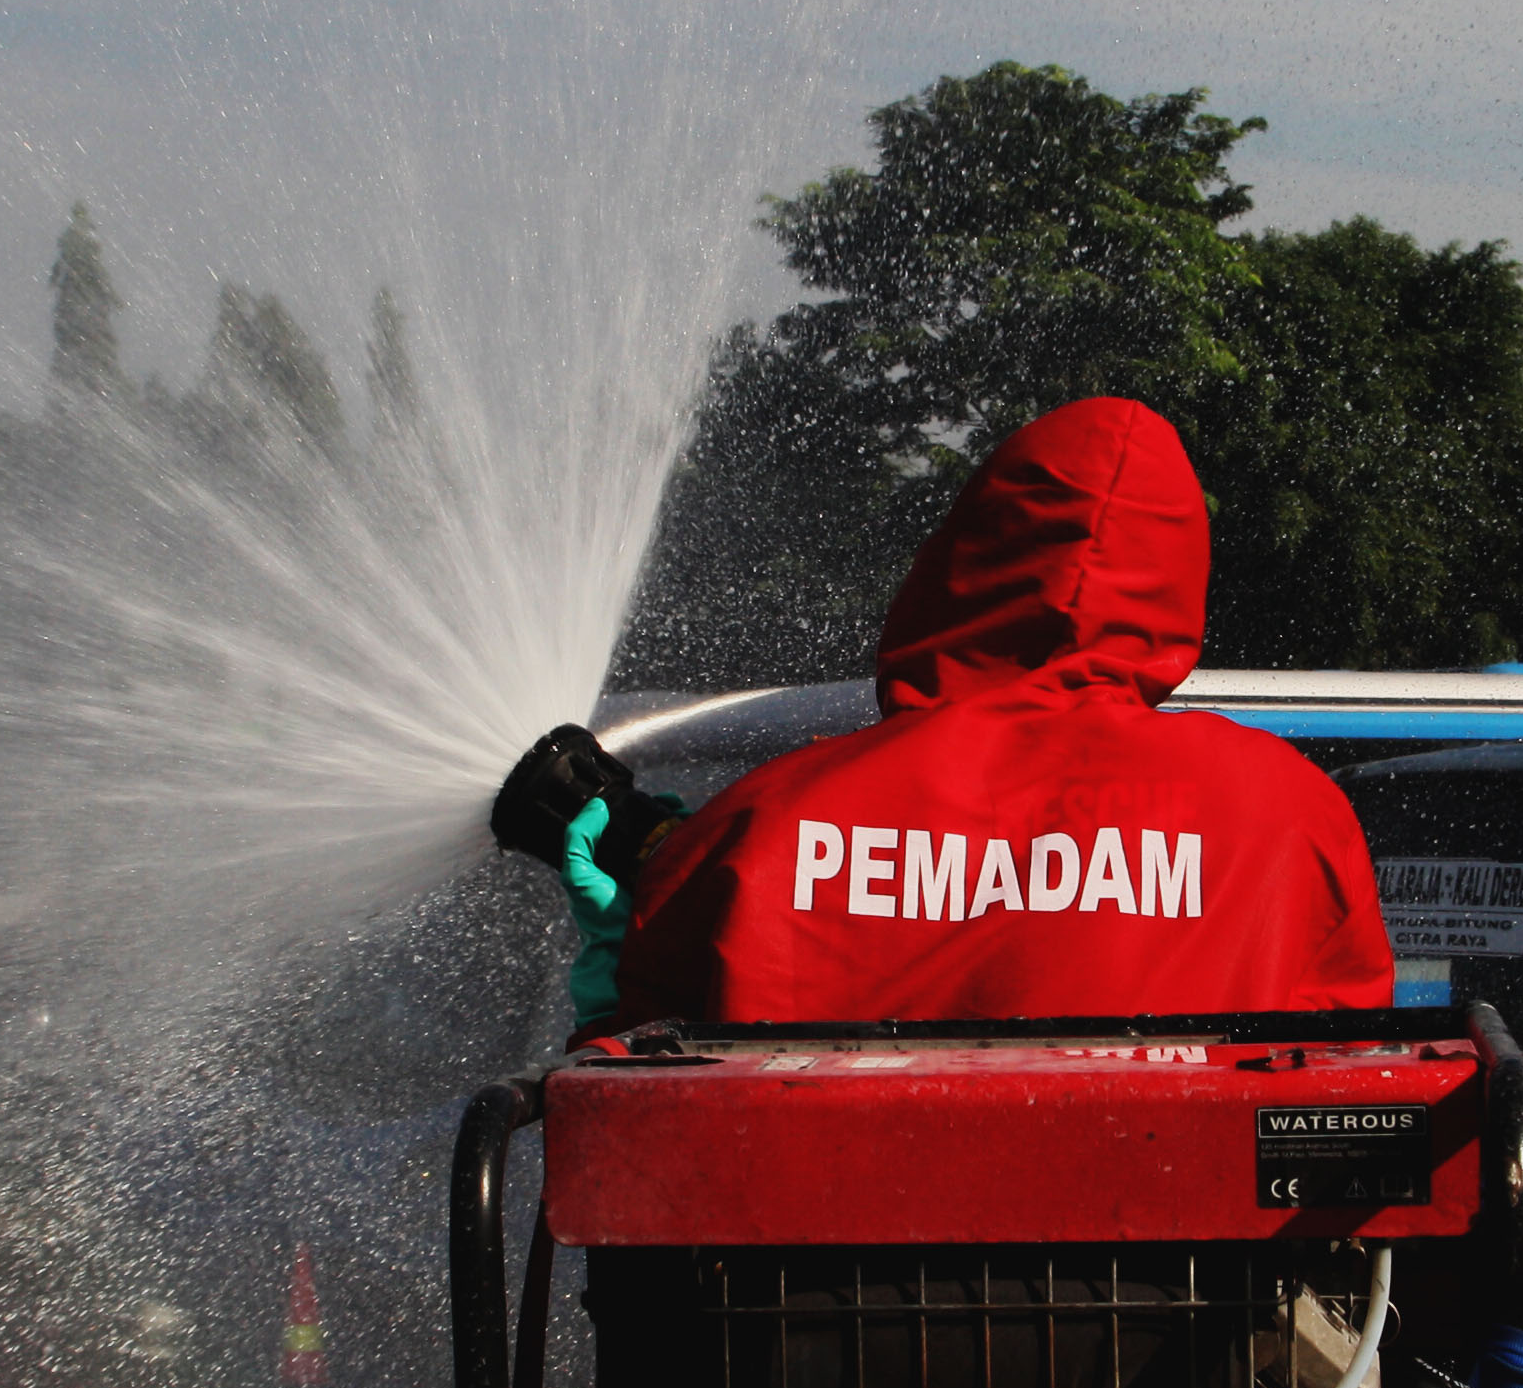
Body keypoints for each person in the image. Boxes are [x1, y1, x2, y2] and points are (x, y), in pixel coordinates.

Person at [595, 396, 1393, 1026]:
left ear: (961, 560)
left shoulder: (761, 822)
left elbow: (624, 1096)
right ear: (1177, 581)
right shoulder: (1286, 813)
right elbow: (1350, 1080)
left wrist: (643, 899)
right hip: (1173, 1234)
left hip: (826, 1235)